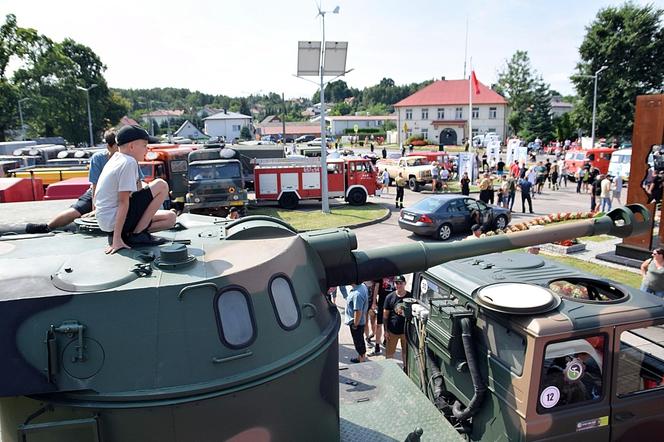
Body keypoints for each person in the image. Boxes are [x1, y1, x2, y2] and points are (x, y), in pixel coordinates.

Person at [95, 125, 177, 254]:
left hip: (108, 221)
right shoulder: (128, 162)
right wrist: (116, 240)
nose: (147, 149)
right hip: (113, 220)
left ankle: (132, 234)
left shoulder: (117, 158)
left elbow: (136, 191)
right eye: (144, 145)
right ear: (132, 146)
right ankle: (137, 234)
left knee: (170, 218)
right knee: (161, 185)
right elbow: (123, 201)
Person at [26, 130, 119, 234]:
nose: (119, 150)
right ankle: (48, 227)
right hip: (99, 192)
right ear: (108, 147)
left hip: (119, 191)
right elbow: (95, 185)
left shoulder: (127, 158)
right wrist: (95, 209)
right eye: (117, 146)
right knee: (76, 211)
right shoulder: (98, 158)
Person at [383, 275, 411, 369]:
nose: (398, 285)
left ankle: (406, 369)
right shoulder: (390, 297)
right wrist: (385, 331)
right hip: (392, 332)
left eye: (400, 283)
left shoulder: (410, 297)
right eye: (396, 283)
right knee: (389, 354)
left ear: (405, 284)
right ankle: (389, 370)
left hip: (406, 332)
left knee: (406, 353)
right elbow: (385, 315)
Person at [345, 282, 369, 363]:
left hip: (357, 323)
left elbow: (358, 311)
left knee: (358, 342)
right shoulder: (362, 287)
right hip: (360, 321)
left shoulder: (357, 294)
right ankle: (360, 358)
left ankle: (362, 361)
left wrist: (355, 324)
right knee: (360, 340)